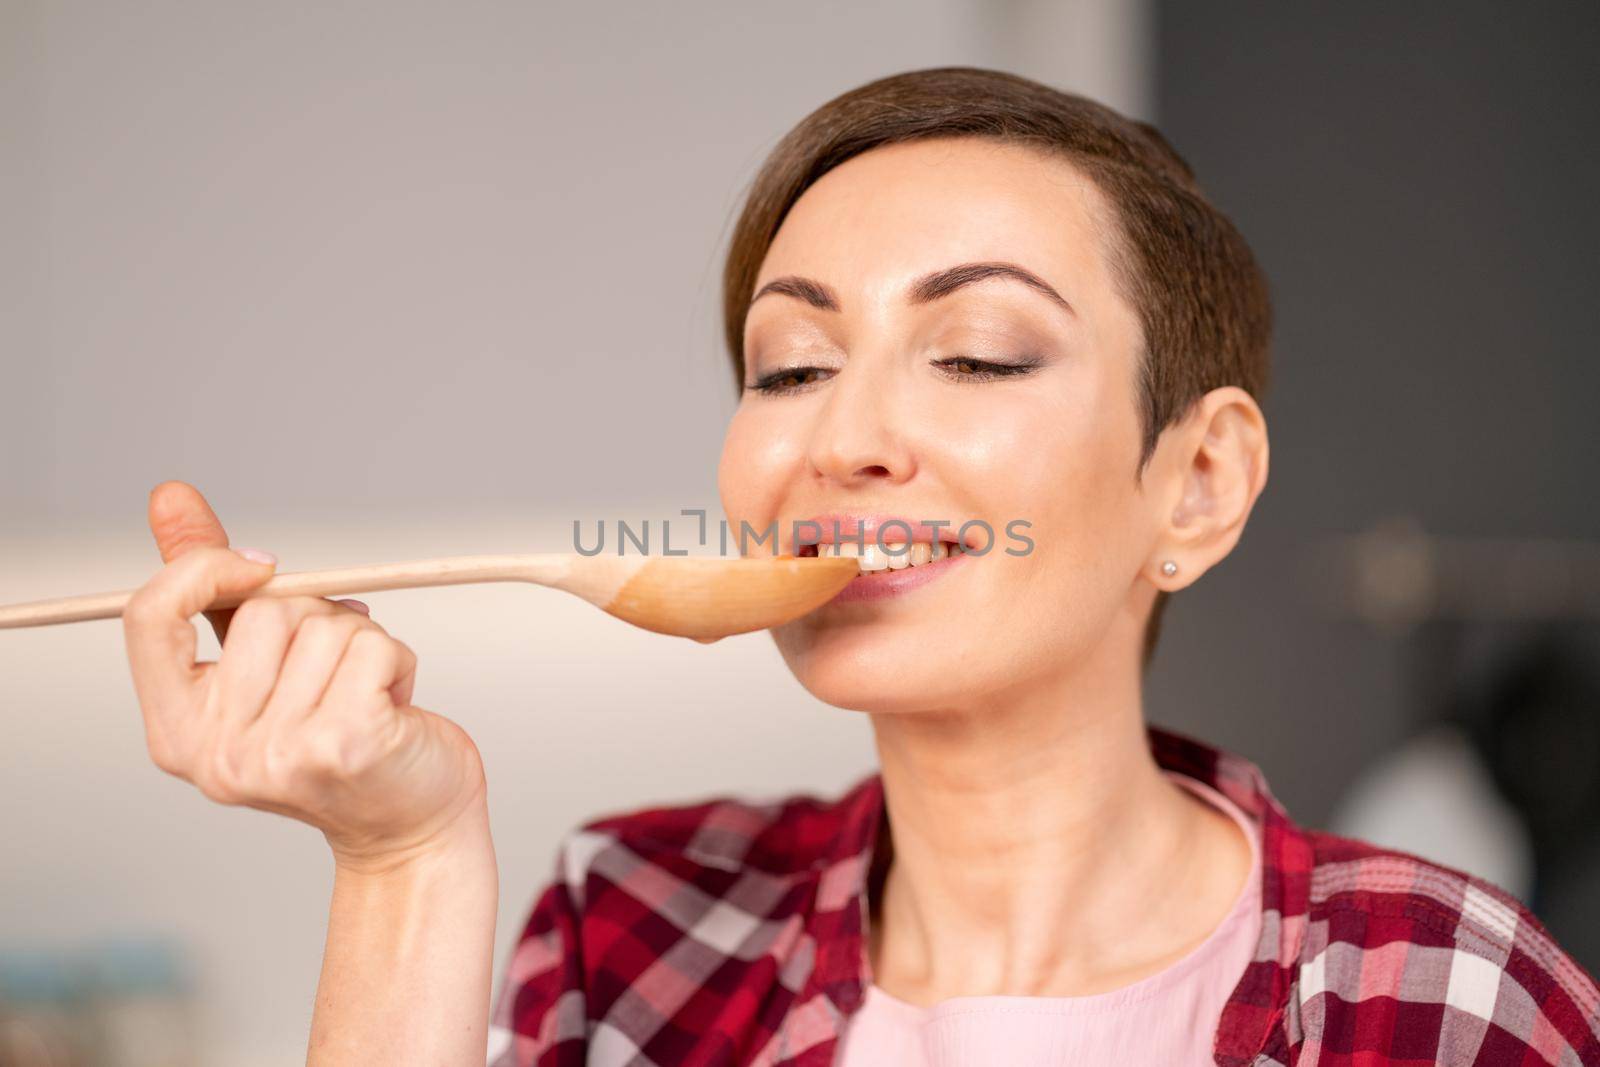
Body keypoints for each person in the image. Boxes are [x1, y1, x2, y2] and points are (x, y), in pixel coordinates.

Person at [120, 67, 1599, 1065]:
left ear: (1197, 484)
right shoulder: (630, 927)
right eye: (789, 366)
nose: (846, 437)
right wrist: (399, 860)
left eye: (974, 352)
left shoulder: (1444, 990)